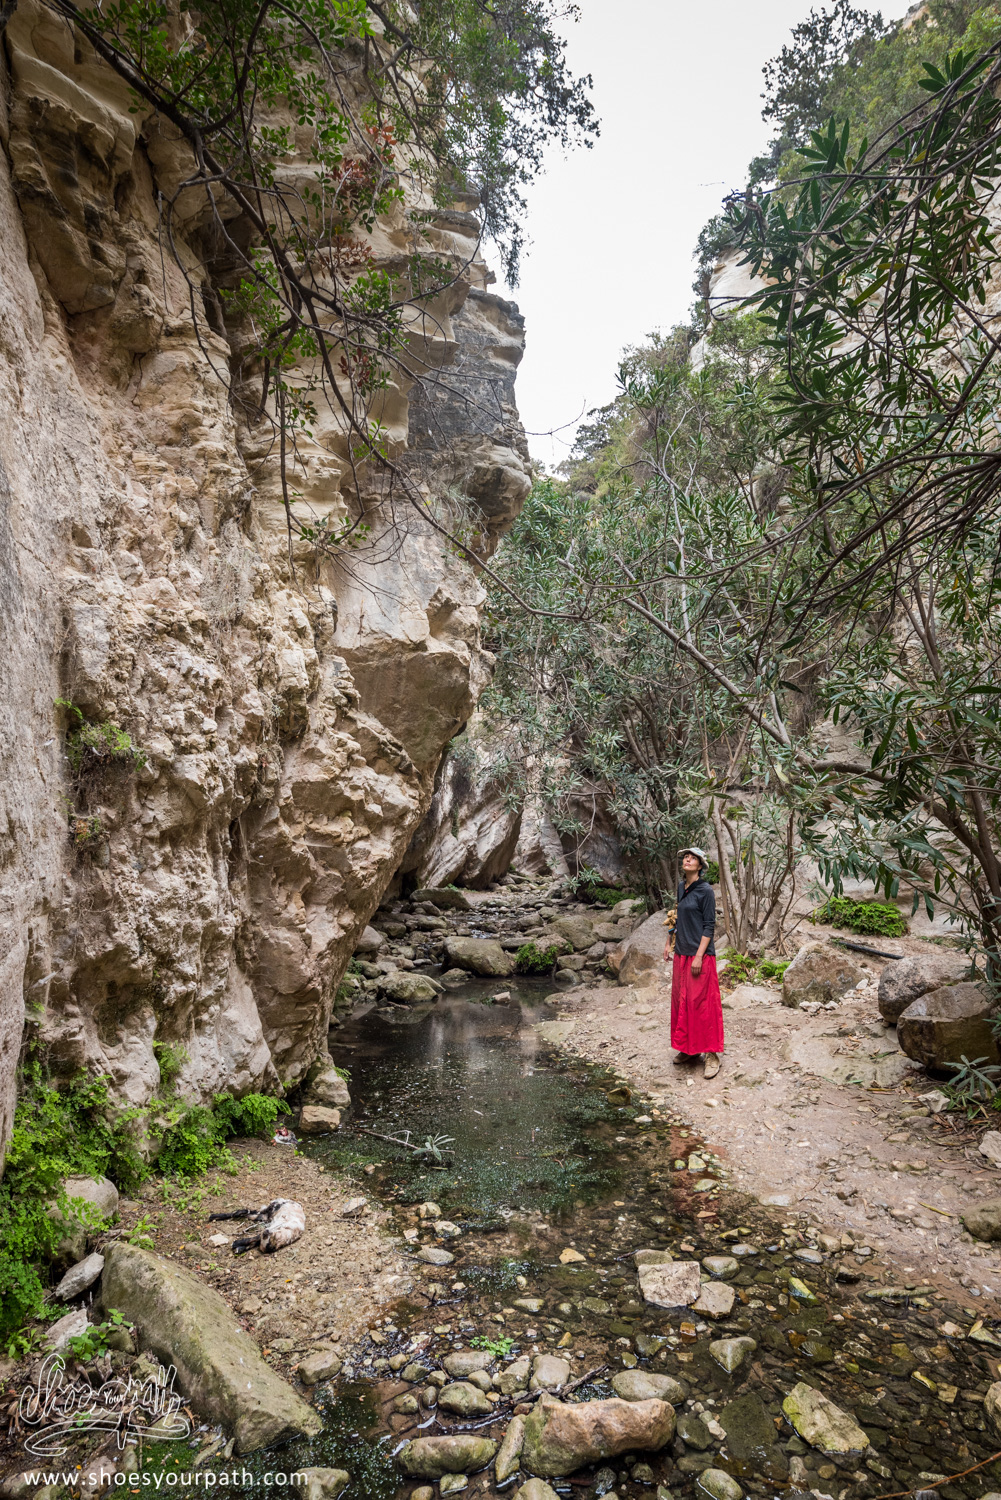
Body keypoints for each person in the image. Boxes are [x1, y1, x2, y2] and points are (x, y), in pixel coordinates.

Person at [663, 846, 724, 1079]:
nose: (687, 860)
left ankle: (712, 1055)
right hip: (681, 953)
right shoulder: (682, 887)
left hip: (700, 956)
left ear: (700, 866)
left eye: (692, 858)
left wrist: (699, 955)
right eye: (685, 857)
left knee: (703, 1005)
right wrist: (669, 942)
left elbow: (710, 925)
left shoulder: (706, 891)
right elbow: (676, 916)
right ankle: (689, 1050)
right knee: (683, 1003)